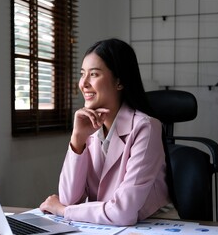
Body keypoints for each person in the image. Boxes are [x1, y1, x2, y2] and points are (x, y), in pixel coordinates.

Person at [39, 38, 170, 226]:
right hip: (106, 225)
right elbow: (68, 198)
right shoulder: (89, 128)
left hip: (155, 224)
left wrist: (62, 211)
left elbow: (122, 212)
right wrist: (77, 140)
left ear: (119, 82)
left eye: (94, 74)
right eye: (82, 74)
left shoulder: (146, 127)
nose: (83, 83)